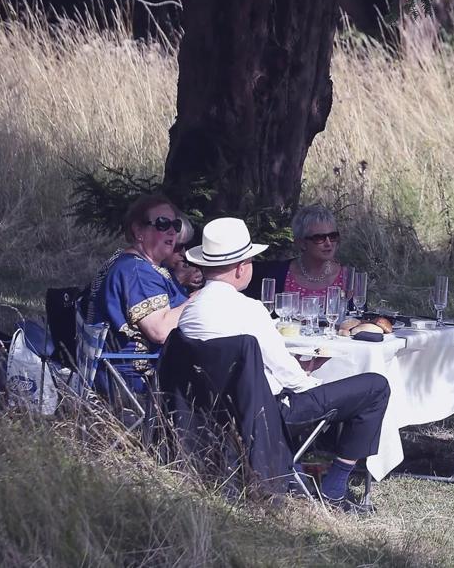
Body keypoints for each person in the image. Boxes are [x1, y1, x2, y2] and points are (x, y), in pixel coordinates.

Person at [179, 217, 389, 513]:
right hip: (264, 411)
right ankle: (334, 488)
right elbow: (291, 378)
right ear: (242, 267)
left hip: (209, 409)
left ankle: (300, 470)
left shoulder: (190, 310)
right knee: (375, 387)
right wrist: (317, 384)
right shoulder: (248, 310)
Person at [85, 194, 191, 385]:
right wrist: (204, 297)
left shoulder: (144, 267)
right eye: (162, 224)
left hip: (148, 372)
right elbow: (160, 331)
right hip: (138, 381)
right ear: (138, 231)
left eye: (175, 226)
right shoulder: (137, 272)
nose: (172, 232)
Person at [245, 204, 349, 301]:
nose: (328, 243)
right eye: (319, 238)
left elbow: (358, 317)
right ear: (301, 243)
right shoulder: (276, 274)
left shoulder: (347, 278)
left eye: (333, 236)